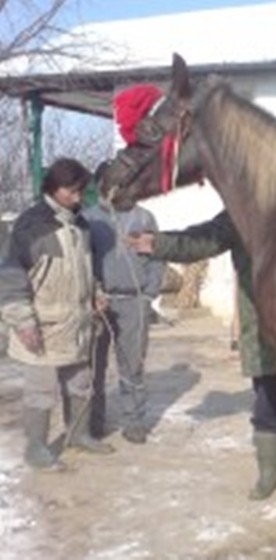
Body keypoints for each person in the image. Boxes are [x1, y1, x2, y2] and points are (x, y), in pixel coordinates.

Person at [128, 211, 276, 500]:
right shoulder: (244, 208)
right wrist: (158, 244)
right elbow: (201, 241)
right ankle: (269, 471)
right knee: (268, 402)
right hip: (267, 327)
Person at [0, 158, 114, 469]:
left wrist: (96, 295)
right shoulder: (31, 225)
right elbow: (10, 278)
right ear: (52, 187)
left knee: (80, 384)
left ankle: (78, 435)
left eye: (81, 191)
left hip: (76, 324)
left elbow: (87, 271)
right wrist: (23, 323)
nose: (78, 198)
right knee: (40, 392)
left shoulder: (81, 225)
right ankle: (36, 449)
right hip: (42, 327)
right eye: (71, 191)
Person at [82, 162, 165, 444]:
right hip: (99, 303)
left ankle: (134, 421)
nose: (126, 187)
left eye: (129, 181)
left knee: (133, 364)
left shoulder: (145, 219)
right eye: (118, 182)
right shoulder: (89, 219)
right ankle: (93, 422)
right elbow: (82, 262)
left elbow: (157, 259)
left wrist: (149, 295)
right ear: (104, 186)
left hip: (134, 301)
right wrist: (91, 294)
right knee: (94, 365)